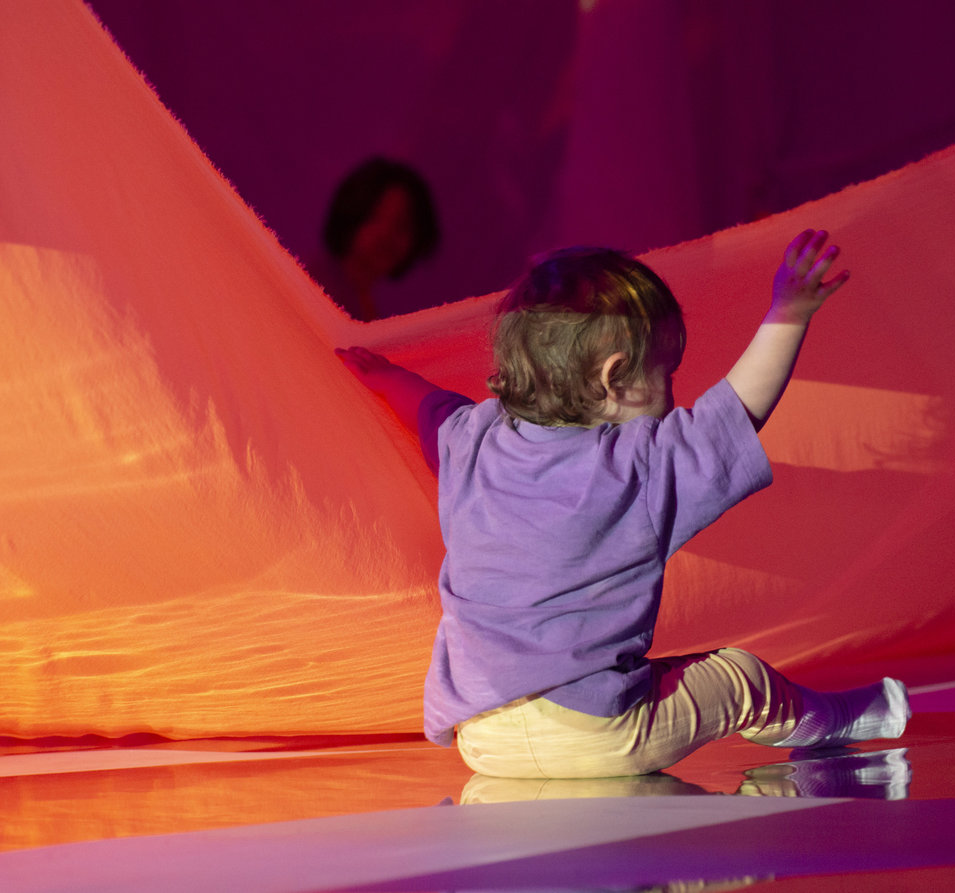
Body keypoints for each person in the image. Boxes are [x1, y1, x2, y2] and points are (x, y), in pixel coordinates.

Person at [336, 230, 910, 778]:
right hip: (597, 734)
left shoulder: (471, 440)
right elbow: (737, 413)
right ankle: (842, 720)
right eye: (666, 374)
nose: (675, 394)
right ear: (614, 380)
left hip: (482, 737)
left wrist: (383, 375)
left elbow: (426, 407)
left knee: (650, 675)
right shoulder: (638, 465)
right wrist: (788, 314)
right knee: (740, 678)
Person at [311, 157, 440, 321]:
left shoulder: (365, 306)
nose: (386, 235)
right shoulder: (314, 286)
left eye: (401, 225)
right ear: (351, 213)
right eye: (375, 216)